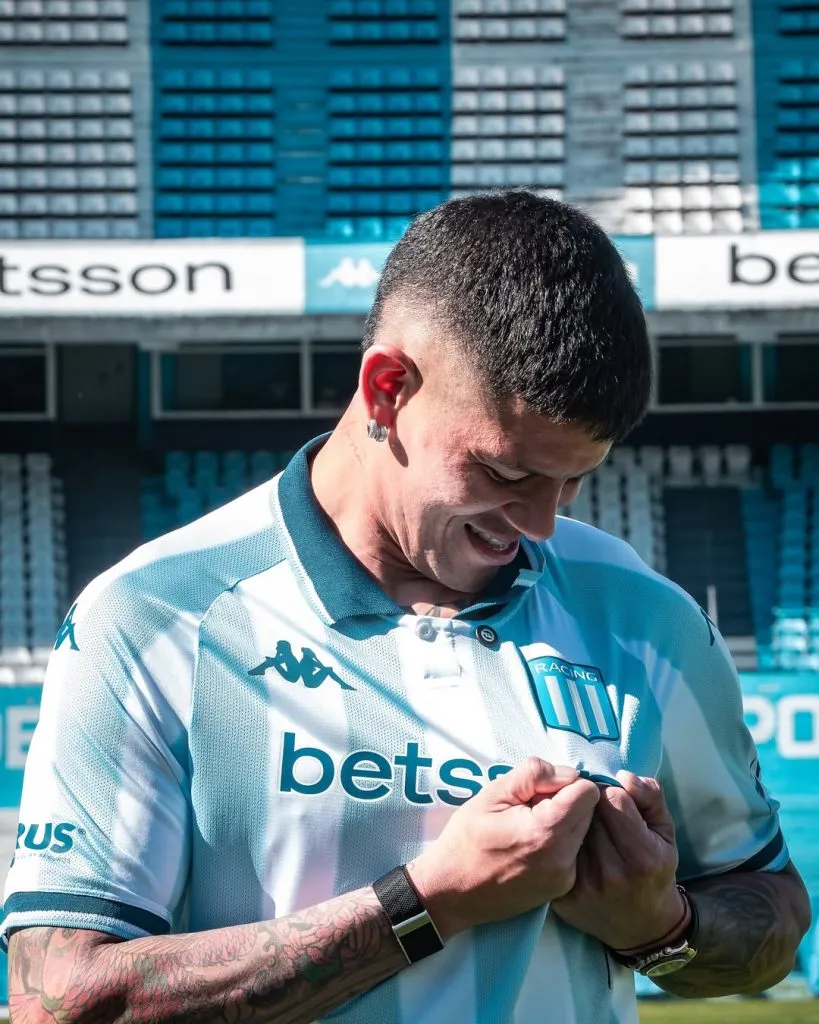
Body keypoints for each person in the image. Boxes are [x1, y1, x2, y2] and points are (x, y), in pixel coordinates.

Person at [3, 191, 810, 1024]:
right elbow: (61, 1000)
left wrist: (661, 928)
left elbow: (771, 906)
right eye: (506, 474)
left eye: (575, 479)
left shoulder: (644, 616)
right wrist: (429, 902)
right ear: (387, 388)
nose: (540, 522)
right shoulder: (155, 616)